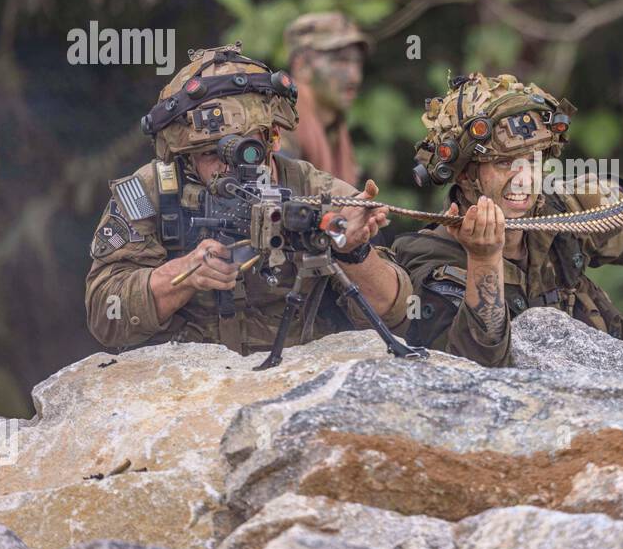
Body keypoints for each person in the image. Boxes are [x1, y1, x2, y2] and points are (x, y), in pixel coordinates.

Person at [390, 72, 623, 370]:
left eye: (534, 160)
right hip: (533, 415)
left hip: (610, 365)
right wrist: (484, 260)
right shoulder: (429, 256)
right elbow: (474, 367)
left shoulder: (561, 209)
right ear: (465, 176)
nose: (524, 179)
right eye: (504, 163)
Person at [85, 42, 411, 354]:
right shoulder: (148, 193)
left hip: (292, 378)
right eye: (212, 153)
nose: (231, 166)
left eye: (248, 149)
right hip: (184, 386)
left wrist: (353, 251)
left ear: (274, 139)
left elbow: (394, 314)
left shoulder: (315, 191)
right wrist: (182, 275)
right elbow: (105, 315)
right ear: (185, 156)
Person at [279, 12, 370, 184]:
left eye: (357, 62)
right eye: (340, 61)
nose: (354, 77)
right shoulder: (279, 125)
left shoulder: (334, 128)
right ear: (302, 66)